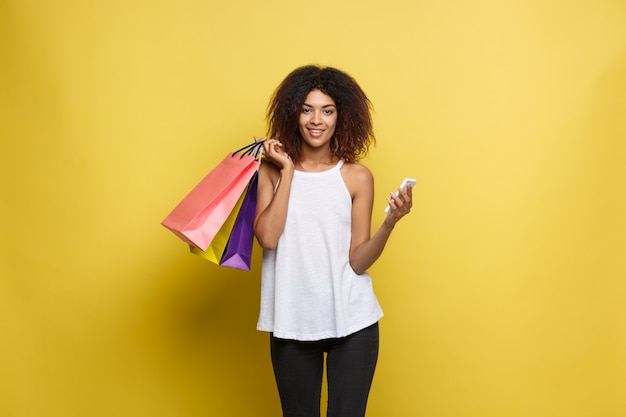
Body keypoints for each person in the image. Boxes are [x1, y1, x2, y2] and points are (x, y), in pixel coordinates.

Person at [253, 65, 413, 417]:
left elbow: (357, 261)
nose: (317, 120)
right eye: (307, 109)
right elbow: (267, 238)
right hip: (291, 320)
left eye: (327, 110)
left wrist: (390, 222)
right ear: (293, 112)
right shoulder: (270, 170)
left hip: (352, 321)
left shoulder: (356, 177)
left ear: (342, 116)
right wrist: (288, 171)